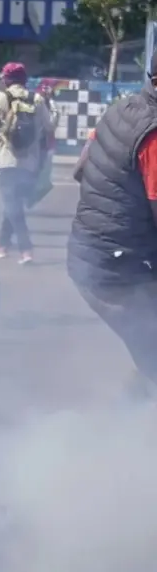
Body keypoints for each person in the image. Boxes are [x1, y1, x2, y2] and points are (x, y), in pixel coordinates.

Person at [67, 51, 157, 397]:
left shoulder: (121, 108)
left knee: (147, 352)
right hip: (119, 270)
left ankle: (129, 410)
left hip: (92, 256)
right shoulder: (153, 134)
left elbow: (80, 170)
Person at [0, 61, 52, 264]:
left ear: (7, 79)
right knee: (14, 205)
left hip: (6, 160)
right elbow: (49, 127)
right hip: (29, 163)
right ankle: (2, 245)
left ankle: (26, 249)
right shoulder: (37, 99)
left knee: (12, 205)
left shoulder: (1, 97)